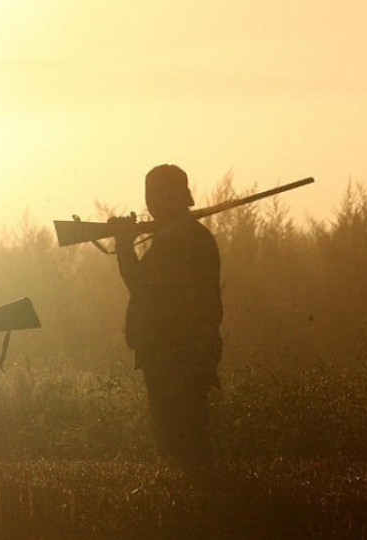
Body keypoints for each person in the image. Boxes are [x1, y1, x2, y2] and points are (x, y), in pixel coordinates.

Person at [109, 164, 223, 469]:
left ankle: (198, 507)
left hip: (175, 353)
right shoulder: (183, 237)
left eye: (158, 196)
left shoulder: (179, 241)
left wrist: (123, 245)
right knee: (181, 438)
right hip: (177, 351)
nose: (154, 203)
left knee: (180, 442)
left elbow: (140, 286)